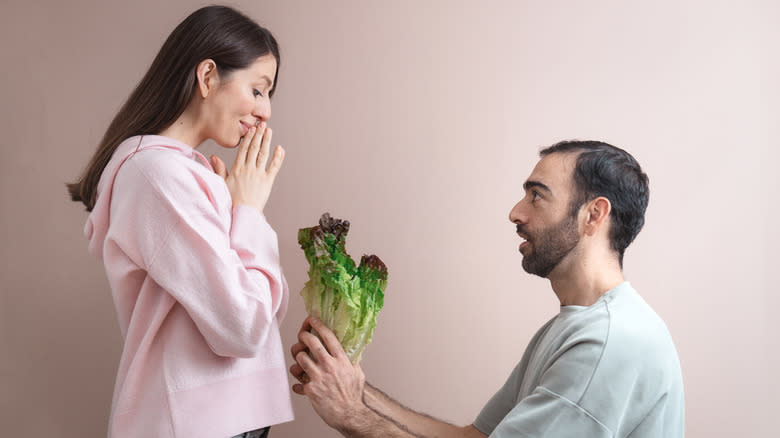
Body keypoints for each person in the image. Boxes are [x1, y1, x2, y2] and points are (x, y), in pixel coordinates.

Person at [289, 140, 685, 437]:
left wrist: (349, 415)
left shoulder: (608, 344)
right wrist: (353, 387)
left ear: (593, 215)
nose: (516, 212)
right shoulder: (573, 327)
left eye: (537, 195)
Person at [67, 6, 293, 438]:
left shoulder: (185, 176)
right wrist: (248, 212)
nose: (265, 112)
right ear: (208, 76)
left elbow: (264, 315)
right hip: (198, 426)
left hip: (223, 422)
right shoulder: (157, 176)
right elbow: (244, 326)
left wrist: (241, 213)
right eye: (259, 90)